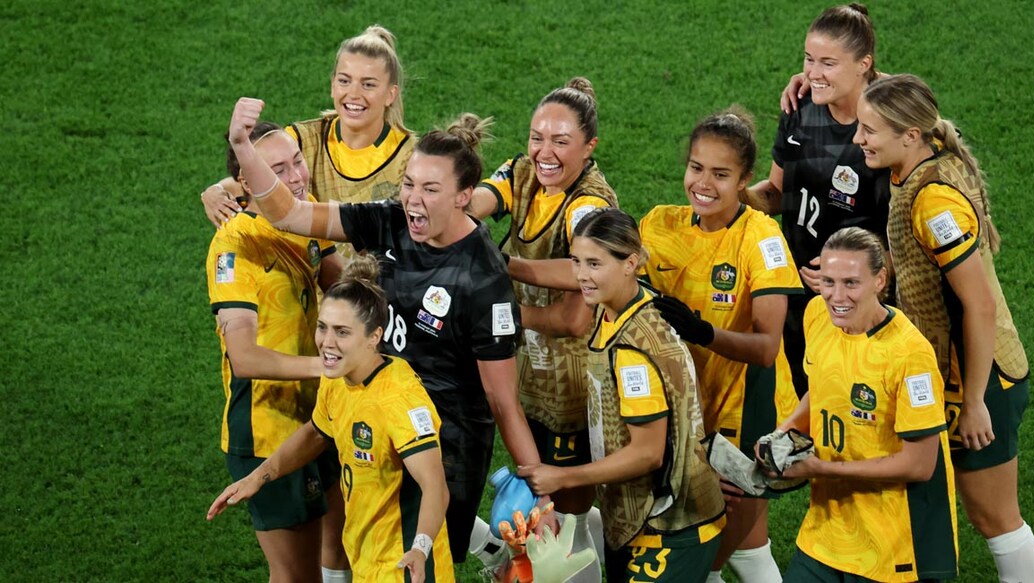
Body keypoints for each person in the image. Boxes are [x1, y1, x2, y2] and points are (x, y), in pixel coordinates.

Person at [225, 96, 545, 564]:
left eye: (430, 190)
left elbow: (501, 400)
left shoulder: (484, 281)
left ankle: (497, 555)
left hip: (438, 445)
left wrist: (536, 484)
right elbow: (290, 215)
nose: (414, 199)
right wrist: (242, 146)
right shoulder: (392, 220)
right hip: (374, 418)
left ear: (463, 196)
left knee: (411, 564)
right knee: (367, 554)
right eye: (409, 184)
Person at [854, 73, 1034, 582]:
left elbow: (978, 306)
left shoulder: (934, 202)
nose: (859, 139)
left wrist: (976, 400)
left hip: (980, 381)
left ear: (910, 135)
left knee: (994, 518)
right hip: (948, 377)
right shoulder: (912, 168)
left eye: (869, 129)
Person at [208, 255, 455, 583]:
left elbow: (435, 486)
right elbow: (315, 432)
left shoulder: (399, 399)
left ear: (373, 336)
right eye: (323, 327)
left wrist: (421, 548)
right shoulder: (337, 379)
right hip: (369, 561)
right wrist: (260, 476)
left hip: (406, 569)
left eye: (342, 332)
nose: (327, 342)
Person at [517, 207, 726, 583]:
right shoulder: (622, 305)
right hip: (643, 516)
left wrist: (563, 477)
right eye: (577, 261)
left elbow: (647, 453)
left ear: (630, 262)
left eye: (595, 264)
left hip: (668, 523)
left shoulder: (633, 353)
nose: (582, 275)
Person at [640, 109, 803, 583]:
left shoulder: (761, 238)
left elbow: (768, 348)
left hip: (748, 411)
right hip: (690, 409)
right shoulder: (658, 226)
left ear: (745, 179)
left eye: (720, 173)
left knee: (714, 551)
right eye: (696, 167)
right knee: (743, 547)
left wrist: (702, 332)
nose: (703, 183)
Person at [469, 76, 615, 575]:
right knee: (535, 501)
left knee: (564, 511)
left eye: (560, 141)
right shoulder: (523, 172)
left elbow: (579, 302)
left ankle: (584, 562)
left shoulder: (590, 204)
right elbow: (473, 205)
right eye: (537, 137)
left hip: (571, 388)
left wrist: (501, 268)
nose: (544, 152)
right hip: (526, 372)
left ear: (589, 147)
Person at [204, 121, 350, 582]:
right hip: (267, 430)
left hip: (316, 415)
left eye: (297, 162)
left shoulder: (300, 215)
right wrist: (326, 366)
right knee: (294, 576)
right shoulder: (234, 246)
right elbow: (244, 357)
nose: (295, 178)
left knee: (342, 542)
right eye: (278, 169)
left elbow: (342, 285)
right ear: (246, 181)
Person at [778, 226, 958, 582]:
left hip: (894, 546)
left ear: (879, 281)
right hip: (826, 533)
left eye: (851, 283)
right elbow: (823, 388)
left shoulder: (910, 355)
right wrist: (783, 433)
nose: (836, 296)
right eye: (828, 281)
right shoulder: (818, 316)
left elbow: (919, 465)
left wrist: (823, 470)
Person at [745, 3, 892, 405]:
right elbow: (775, 194)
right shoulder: (801, 107)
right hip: (796, 292)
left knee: (856, 407)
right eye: (809, 60)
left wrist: (839, 276)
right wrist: (732, 190)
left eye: (828, 63)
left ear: (864, 64)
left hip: (857, 301)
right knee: (801, 400)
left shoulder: (884, 132)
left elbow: (902, 236)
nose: (812, 73)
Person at [201, 25, 413, 244]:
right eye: (344, 81)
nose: (353, 94)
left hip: (380, 276)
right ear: (332, 85)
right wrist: (215, 191)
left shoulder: (411, 158)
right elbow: (258, 182)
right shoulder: (300, 139)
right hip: (311, 270)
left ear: (390, 94)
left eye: (368, 84)